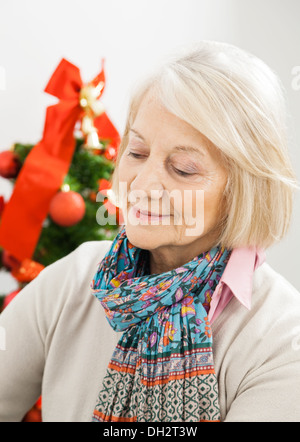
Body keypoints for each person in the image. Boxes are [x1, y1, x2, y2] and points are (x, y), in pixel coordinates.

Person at [1, 40, 300, 423]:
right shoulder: (72, 280)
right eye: (137, 153)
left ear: (244, 190)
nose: (142, 184)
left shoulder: (281, 337)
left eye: (183, 169)